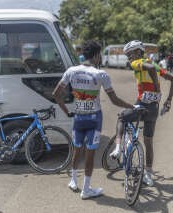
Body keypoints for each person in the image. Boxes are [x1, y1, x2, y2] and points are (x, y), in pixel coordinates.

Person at [52, 40, 134, 199]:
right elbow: (114, 100)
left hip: (78, 118)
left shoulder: (71, 71)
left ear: (84, 54)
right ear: (96, 55)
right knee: (90, 154)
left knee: (77, 149)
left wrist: (66, 111)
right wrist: (130, 105)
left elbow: (56, 94)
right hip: (94, 119)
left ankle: (73, 181)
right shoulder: (100, 74)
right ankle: (86, 189)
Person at [109, 40, 173, 186]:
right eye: (128, 55)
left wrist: (156, 87)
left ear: (138, 52)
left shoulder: (137, 63)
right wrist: (168, 100)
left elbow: (150, 70)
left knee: (122, 118)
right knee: (148, 142)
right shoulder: (155, 64)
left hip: (142, 106)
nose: (129, 58)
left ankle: (117, 149)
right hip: (153, 109)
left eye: (130, 54)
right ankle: (148, 175)